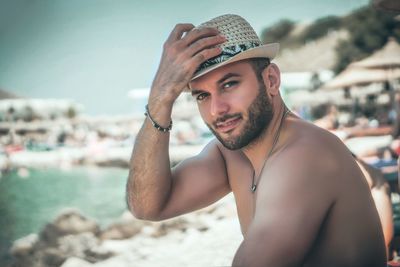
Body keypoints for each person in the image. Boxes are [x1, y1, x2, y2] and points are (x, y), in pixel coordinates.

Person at [126, 14, 386, 266]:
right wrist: (160, 100)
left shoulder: (305, 154)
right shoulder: (231, 154)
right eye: (202, 96)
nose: (217, 109)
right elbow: (147, 206)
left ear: (271, 80)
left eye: (229, 84)